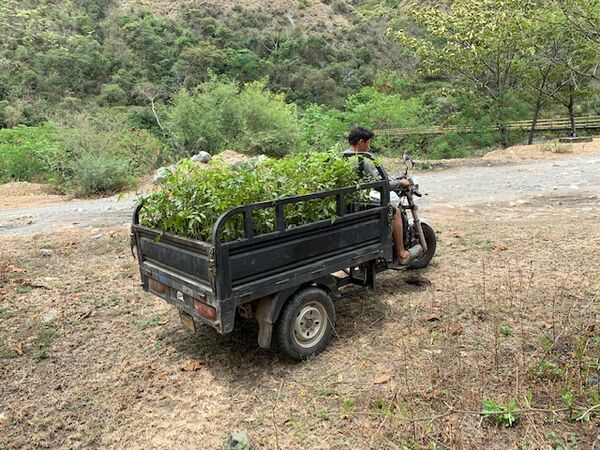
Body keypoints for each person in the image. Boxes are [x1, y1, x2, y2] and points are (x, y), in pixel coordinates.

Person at [343, 126, 413, 265]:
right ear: (361, 142)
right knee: (395, 212)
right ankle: (401, 252)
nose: (369, 147)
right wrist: (400, 183)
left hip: (346, 202)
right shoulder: (361, 159)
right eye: (368, 143)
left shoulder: (341, 156)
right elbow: (380, 184)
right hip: (359, 201)